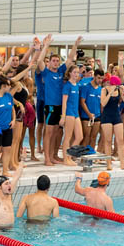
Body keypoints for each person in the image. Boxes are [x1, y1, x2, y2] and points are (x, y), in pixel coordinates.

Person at [36, 35, 78, 166]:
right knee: (48, 133)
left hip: (60, 107)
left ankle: (53, 155)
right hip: (50, 107)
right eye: (53, 61)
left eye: (57, 61)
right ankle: (47, 159)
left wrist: (75, 44)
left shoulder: (60, 72)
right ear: (49, 62)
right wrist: (46, 46)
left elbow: (70, 59)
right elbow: (39, 60)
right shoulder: (46, 73)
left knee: (55, 132)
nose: (55, 63)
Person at [0, 161, 23, 228]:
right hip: (0, 230)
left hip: (11, 229)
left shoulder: (9, 195)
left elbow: (16, 176)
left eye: (9, 183)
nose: (9, 185)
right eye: (6, 184)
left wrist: (23, 160)